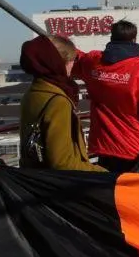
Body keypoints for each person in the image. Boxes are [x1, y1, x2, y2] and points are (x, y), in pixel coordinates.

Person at [77, 19, 139, 173]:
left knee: (108, 185)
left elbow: (75, 57)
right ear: (134, 39)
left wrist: (55, 42)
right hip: (134, 146)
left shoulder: (93, 61)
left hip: (103, 144)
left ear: (111, 37)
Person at [18, 35, 100, 172]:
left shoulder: (32, 93)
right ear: (57, 63)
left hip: (35, 175)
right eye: (71, 60)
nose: (73, 65)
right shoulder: (58, 101)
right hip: (61, 181)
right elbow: (62, 163)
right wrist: (103, 174)